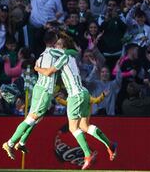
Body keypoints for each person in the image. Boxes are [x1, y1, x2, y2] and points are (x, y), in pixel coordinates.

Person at [34, 34, 117, 170]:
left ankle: (87, 154)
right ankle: (110, 144)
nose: (56, 46)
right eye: (56, 44)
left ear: (63, 47)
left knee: (73, 128)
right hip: (83, 93)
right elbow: (73, 51)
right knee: (84, 126)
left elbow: (49, 72)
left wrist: (37, 68)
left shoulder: (63, 56)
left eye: (59, 44)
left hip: (75, 95)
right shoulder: (70, 55)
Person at [2, 32, 74, 160]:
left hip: (39, 89)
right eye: (58, 42)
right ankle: (10, 143)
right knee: (31, 118)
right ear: (54, 41)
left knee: (36, 119)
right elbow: (70, 54)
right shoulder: (53, 52)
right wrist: (72, 47)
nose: (59, 46)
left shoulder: (41, 55)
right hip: (44, 91)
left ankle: (22, 143)